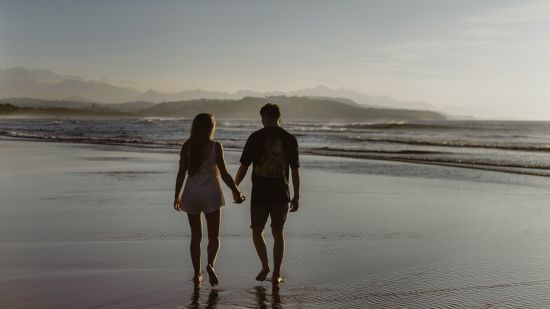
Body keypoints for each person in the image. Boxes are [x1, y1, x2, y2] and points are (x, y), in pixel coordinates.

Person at [174, 113, 245, 287]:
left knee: (195, 237)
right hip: (210, 193)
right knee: (214, 237)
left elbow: (181, 173)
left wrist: (177, 195)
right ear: (210, 128)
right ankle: (210, 265)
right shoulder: (215, 146)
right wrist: (237, 190)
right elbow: (225, 174)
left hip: (191, 193)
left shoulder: (187, 146)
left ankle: (197, 274)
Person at [235, 103, 300, 284]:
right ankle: (277, 274)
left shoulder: (255, 137)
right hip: (281, 192)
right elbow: (295, 171)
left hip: (260, 193)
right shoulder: (289, 138)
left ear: (266, 117)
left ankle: (265, 265)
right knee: (278, 232)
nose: (261, 121)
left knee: (257, 231)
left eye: (262, 117)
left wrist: (234, 187)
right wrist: (297, 195)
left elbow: (244, 167)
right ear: (278, 117)